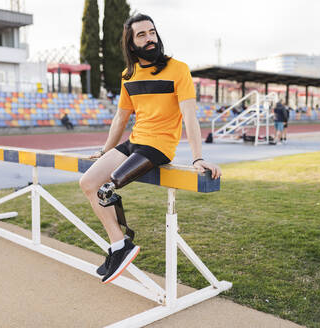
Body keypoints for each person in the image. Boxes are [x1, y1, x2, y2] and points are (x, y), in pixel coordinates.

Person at [78, 14, 221, 284]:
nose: (150, 38)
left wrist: (198, 158)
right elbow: (121, 118)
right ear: (131, 44)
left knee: (109, 186)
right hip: (135, 142)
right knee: (88, 182)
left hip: (159, 146)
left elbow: (190, 116)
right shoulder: (127, 75)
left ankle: (121, 247)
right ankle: (119, 245)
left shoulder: (178, 69)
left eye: (152, 32)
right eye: (141, 35)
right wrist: (105, 151)